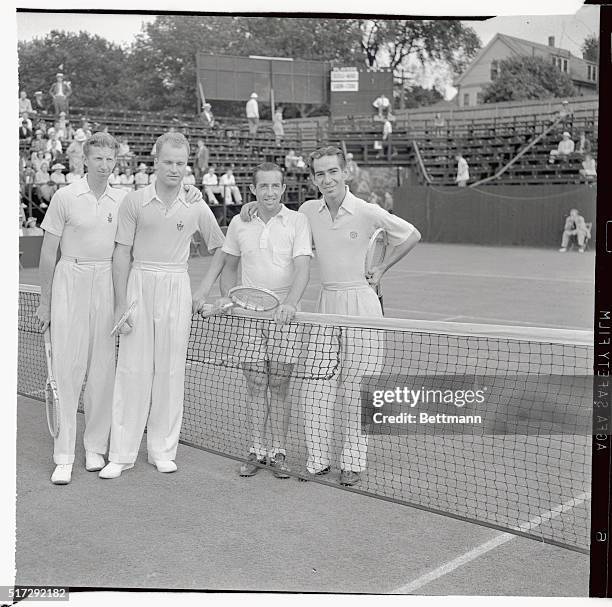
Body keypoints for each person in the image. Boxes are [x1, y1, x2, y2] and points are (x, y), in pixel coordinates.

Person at [241, 146, 421, 486]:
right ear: (312, 179)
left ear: (346, 171)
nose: (327, 179)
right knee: (316, 385)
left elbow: (411, 234)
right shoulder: (308, 211)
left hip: (363, 305)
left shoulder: (366, 211)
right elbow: (281, 215)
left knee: (357, 387)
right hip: (326, 304)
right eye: (320, 174)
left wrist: (382, 267)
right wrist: (254, 206)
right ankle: (317, 461)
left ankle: (352, 462)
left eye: (332, 171)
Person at [99, 132, 226, 479]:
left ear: (187, 166)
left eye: (180, 163)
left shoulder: (197, 204)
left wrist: (202, 291)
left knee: (170, 371)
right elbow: (121, 253)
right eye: (168, 162)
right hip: (140, 283)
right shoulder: (134, 201)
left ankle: (162, 450)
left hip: (177, 285)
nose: (174, 169)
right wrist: (121, 304)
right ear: (155, 162)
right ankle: (121, 454)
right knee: (132, 370)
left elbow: (222, 248)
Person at [207, 162, 312, 478]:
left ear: (283, 188)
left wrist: (291, 303)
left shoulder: (298, 221)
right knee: (255, 384)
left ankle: (278, 452)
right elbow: (228, 266)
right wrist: (229, 296)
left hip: (284, 318)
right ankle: (257, 450)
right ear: (253, 189)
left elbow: (303, 267)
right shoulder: (240, 223)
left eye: (274, 186)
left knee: (279, 385)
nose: (269, 192)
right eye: (262, 186)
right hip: (248, 318)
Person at [35, 133, 125, 485]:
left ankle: (94, 448)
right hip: (69, 278)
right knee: (68, 367)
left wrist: (192, 192)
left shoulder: (124, 198)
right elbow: (47, 253)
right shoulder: (65, 196)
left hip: (107, 278)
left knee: (103, 369)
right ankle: (64, 455)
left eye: (110, 159)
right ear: (84, 161)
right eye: (98, 159)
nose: (105, 165)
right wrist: (45, 302)